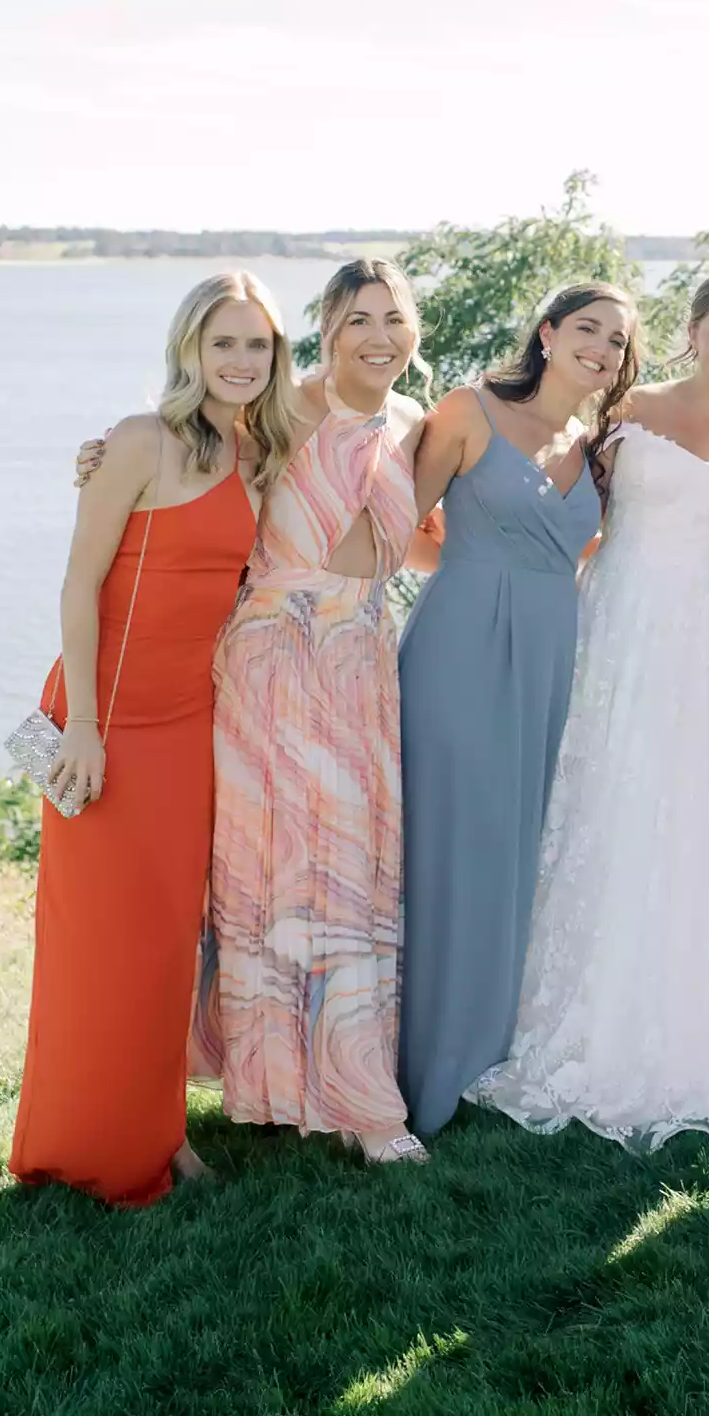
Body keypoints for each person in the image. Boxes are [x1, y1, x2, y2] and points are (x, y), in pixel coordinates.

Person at [474, 270, 709, 1150]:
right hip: (620, 637)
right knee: (613, 813)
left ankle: (703, 1029)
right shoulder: (626, 410)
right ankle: (591, 1017)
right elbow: (545, 490)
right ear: (693, 329)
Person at [10, 274, 296, 1206]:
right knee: (97, 940)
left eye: (258, 345)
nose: (242, 362)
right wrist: (85, 729)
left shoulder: (260, 449)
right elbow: (78, 585)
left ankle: (157, 1128)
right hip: (102, 718)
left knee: (170, 942)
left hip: (189, 722)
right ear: (189, 348)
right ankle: (85, 1138)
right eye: (225, 344)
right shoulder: (139, 441)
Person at [195, 258, 430, 1162]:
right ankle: (287, 1086)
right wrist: (105, 456)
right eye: (358, 318)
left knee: (352, 868)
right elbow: (187, 463)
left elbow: (415, 547)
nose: (378, 336)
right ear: (326, 327)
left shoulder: (411, 421)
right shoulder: (281, 409)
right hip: (275, 656)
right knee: (274, 867)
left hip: (362, 660)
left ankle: (348, 1078)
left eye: (393, 318)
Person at [396, 284, 640, 1142]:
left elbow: (586, 552)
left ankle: (487, 1053)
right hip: (458, 650)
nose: (603, 348)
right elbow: (397, 527)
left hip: (547, 658)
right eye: (587, 329)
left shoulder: (600, 448)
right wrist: (473, 564)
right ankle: (416, 1063)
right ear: (547, 333)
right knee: (448, 841)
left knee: (513, 849)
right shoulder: (468, 410)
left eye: (617, 339)